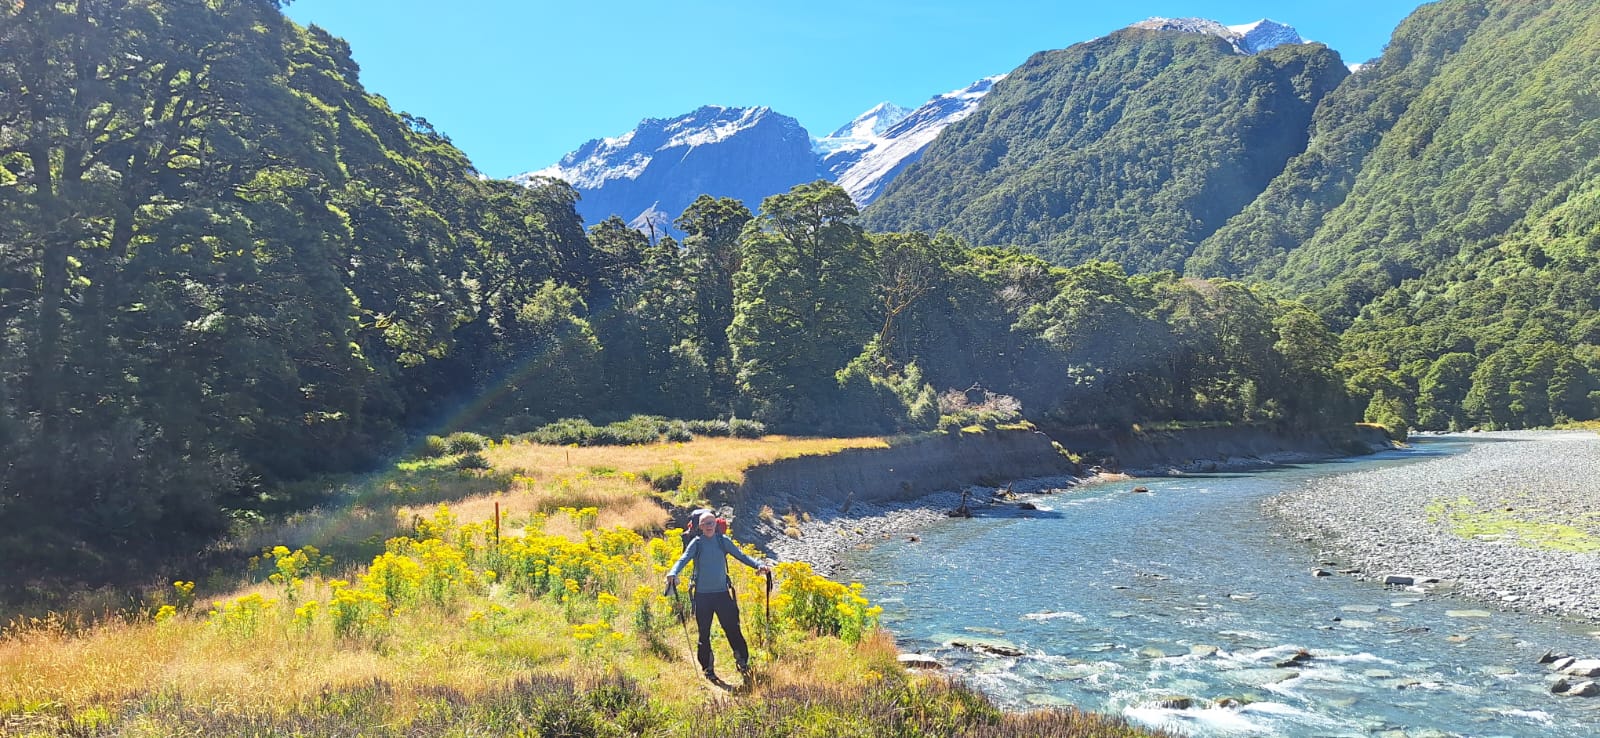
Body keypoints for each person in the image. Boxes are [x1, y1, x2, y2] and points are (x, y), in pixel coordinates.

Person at [666, 509, 770, 681]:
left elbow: (741, 556)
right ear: (700, 526)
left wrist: (759, 565)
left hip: (722, 594)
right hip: (702, 596)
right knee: (704, 634)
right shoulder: (697, 543)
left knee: (733, 629)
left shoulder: (723, 541)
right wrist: (673, 572)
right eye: (706, 524)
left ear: (716, 524)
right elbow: (683, 559)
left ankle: (742, 662)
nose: (709, 526)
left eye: (712, 523)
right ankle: (708, 669)